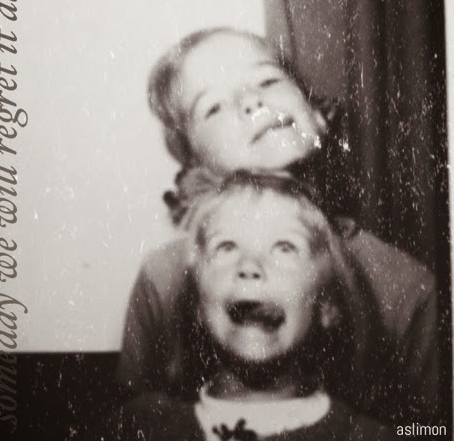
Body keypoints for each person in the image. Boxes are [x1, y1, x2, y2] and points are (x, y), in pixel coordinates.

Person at [117, 27, 438, 426]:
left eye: (268, 81)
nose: (252, 101)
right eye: (214, 106)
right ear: (194, 159)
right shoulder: (166, 276)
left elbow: (429, 429)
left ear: (316, 113)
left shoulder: (404, 286)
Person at [112, 172, 395, 440]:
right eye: (226, 246)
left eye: (285, 247)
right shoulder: (138, 428)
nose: (250, 266)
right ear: (197, 301)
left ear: (327, 304)